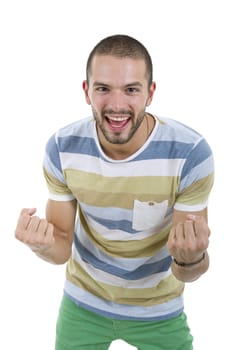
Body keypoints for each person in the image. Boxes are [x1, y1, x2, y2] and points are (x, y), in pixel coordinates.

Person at [15, 34, 214, 350]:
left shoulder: (190, 153)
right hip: (83, 305)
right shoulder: (62, 148)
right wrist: (40, 245)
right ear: (87, 91)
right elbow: (61, 246)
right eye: (103, 88)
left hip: (159, 310)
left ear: (150, 93)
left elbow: (189, 269)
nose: (117, 106)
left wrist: (192, 259)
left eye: (132, 89)